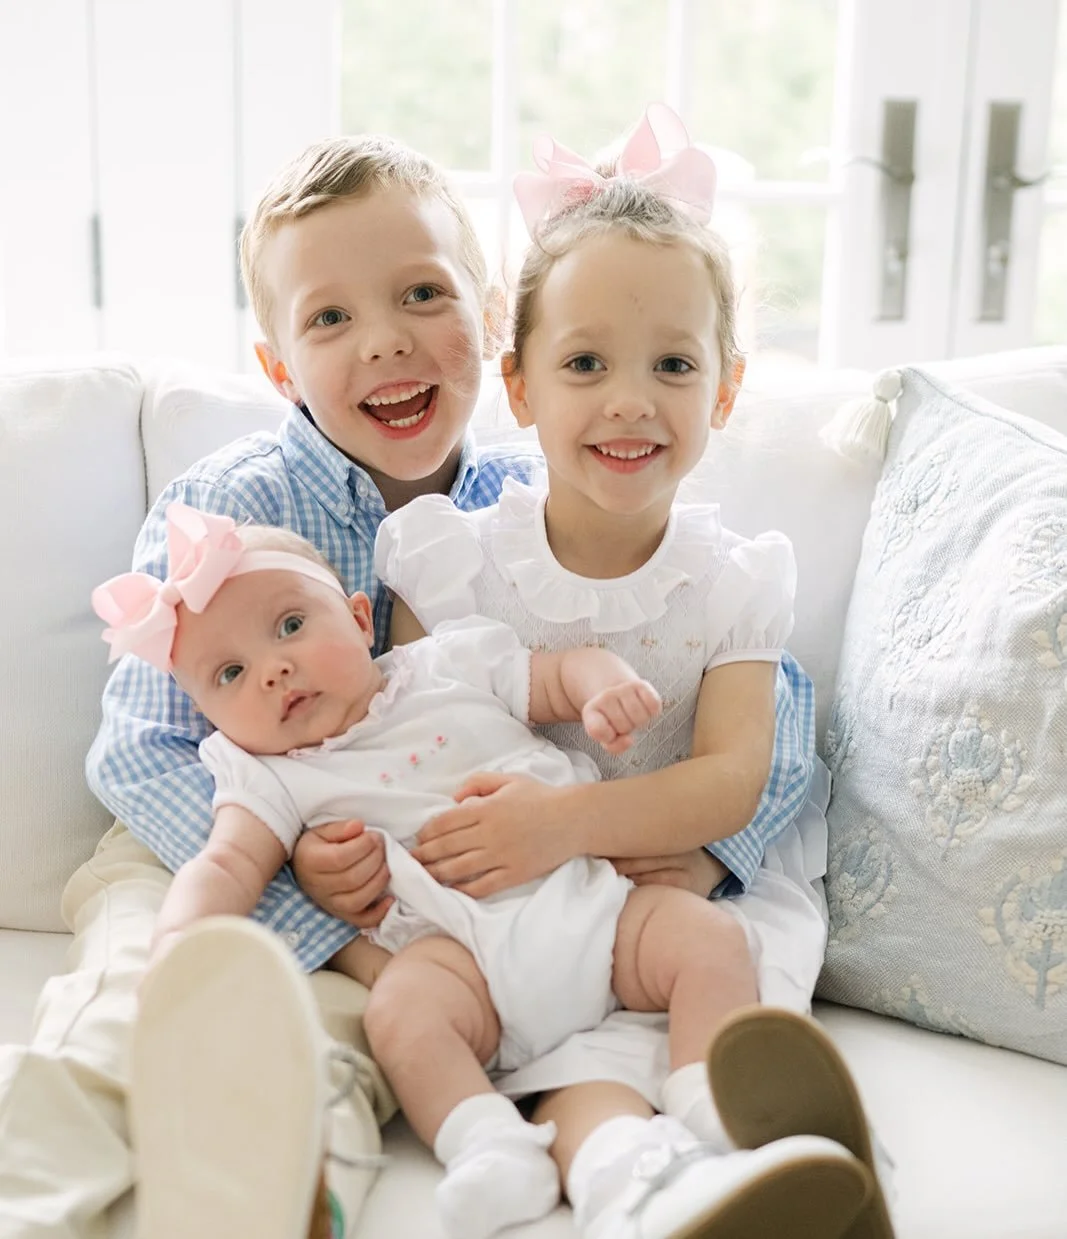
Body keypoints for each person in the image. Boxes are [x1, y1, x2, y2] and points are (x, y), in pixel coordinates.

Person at [353, 104, 896, 1239]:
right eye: (585, 363)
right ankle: (604, 1178)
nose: (628, 400)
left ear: (726, 389)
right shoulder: (453, 561)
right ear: (519, 387)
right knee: (486, 1027)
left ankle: (705, 1143)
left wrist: (564, 826)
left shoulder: (732, 580)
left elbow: (731, 779)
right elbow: (404, 732)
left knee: (682, 986)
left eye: (672, 364)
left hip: (656, 896)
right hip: (503, 905)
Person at [1, 134, 547, 1239]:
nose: (384, 340)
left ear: (490, 318)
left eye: (420, 294)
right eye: (330, 318)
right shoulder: (230, 504)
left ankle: (282, 1203)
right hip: (191, 846)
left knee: (337, 1052)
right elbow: (139, 749)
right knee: (126, 1017)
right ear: (279, 366)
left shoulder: (530, 508)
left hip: (400, 887)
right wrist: (284, 864)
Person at [95, 507, 811, 1238]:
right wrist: (178, 942)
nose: (274, 669)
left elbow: (558, 675)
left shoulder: (444, 662)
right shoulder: (264, 775)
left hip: (590, 907)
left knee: (706, 938)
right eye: (231, 672)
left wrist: (603, 682)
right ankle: (485, 1141)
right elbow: (225, 863)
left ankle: (707, 1098)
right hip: (462, 965)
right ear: (210, 716)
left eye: (288, 627)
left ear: (357, 614)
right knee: (400, 1013)